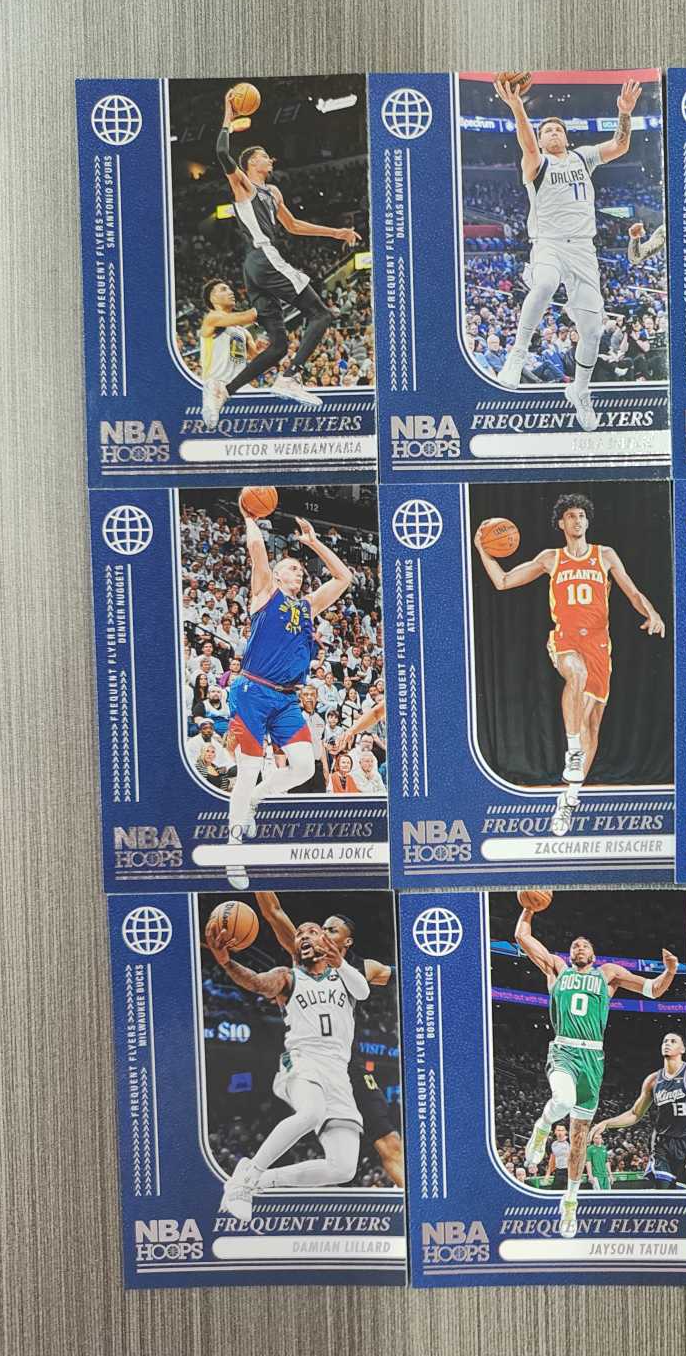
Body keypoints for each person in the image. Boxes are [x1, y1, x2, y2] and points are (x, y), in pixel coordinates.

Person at [475, 493, 665, 837]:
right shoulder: (551, 558)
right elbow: (502, 582)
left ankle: (569, 799)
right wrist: (482, 550)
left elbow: (633, 593)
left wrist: (651, 613)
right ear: (561, 523)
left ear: (587, 521)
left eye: (581, 516)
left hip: (599, 645)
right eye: (571, 516)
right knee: (575, 673)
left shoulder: (605, 555)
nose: (577, 520)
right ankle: (572, 749)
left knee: (593, 725)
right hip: (565, 639)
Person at [511, 902, 678, 1238]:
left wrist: (671, 969)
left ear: (594, 954)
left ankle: (570, 1201)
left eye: (585, 945)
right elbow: (521, 936)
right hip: (564, 1049)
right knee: (562, 1099)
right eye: (575, 945)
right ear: (570, 953)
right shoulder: (557, 969)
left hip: (593, 1060)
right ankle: (542, 1128)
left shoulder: (608, 975)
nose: (579, 947)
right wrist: (529, 909)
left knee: (578, 1139)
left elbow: (654, 990)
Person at [491, 73, 644, 431]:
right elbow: (527, 144)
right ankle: (517, 354)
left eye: (558, 130)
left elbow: (620, 146)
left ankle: (580, 391)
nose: (553, 134)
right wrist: (517, 107)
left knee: (592, 332)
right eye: (547, 131)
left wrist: (624, 112)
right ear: (541, 139)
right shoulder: (536, 164)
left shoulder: (582, 158)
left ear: (566, 137)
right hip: (549, 243)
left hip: (583, 251)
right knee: (545, 283)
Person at [205, 93, 362, 426]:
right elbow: (221, 153)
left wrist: (336, 232)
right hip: (263, 256)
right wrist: (228, 115)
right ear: (251, 163)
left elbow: (293, 226)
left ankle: (224, 390)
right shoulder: (244, 186)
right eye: (264, 156)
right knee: (321, 314)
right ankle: (291, 376)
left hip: (254, 267)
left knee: (277, 345)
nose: (270, 160)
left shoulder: (273, 193)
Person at [224, 501, 355, 888]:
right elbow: (257, 552)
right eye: (291, 567)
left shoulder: (307, 607)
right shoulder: (265, 593)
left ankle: (256, 798)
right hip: (251, 691)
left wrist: (313, 543)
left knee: (304, 767)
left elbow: (343, 577)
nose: (298, 571)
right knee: (248, 767)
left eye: (300, 569)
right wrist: (250, 520)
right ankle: (234, 852)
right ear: (278, 574)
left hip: (285, 700)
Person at [209, 918, 371, 1221]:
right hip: (302, 1059)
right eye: (299, 934)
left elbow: (363, 993)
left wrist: (341, 963)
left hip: (338, 1072)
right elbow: (257, 982)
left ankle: (262, 1179)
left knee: (343, 1168)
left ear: (327, 941)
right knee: (310, 1112)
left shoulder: (345, 977)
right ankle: (244, 1182)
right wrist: (227, 962)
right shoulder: (288, 976)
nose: (304, 936)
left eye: (313, 932)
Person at [252, 892, 404, 1186]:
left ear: (347, 942)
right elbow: (274, 911)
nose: (322, 933)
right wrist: (253, 870)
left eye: (332, 930)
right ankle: (255, 1176)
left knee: (389, 1144)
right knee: (312, 1118)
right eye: (320, 928)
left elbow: (409, 973)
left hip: (350, 1065)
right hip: (313, 1061)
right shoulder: (302, 955)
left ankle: (416, 1205)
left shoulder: (364, 968)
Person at [594, 1032, 686, 1188]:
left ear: (683, 1049)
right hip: (662, 1143)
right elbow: (635, 1113)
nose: (667, 1044)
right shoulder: (653, 1080)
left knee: (683, 1193)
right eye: (665, 1041)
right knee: (663, 1190)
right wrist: (606, 1123)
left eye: (673, 1041)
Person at [196, 281, 262, 427]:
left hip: (238, 386)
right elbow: (248, 316)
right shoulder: (212, 318)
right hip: (216, 383)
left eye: (230, 289)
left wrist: (263, 351)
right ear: (213, 298)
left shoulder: (243, 331)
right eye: (224, 289)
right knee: (212, 423)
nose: (231, 292)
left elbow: (257, 361)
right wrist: (267, 302)